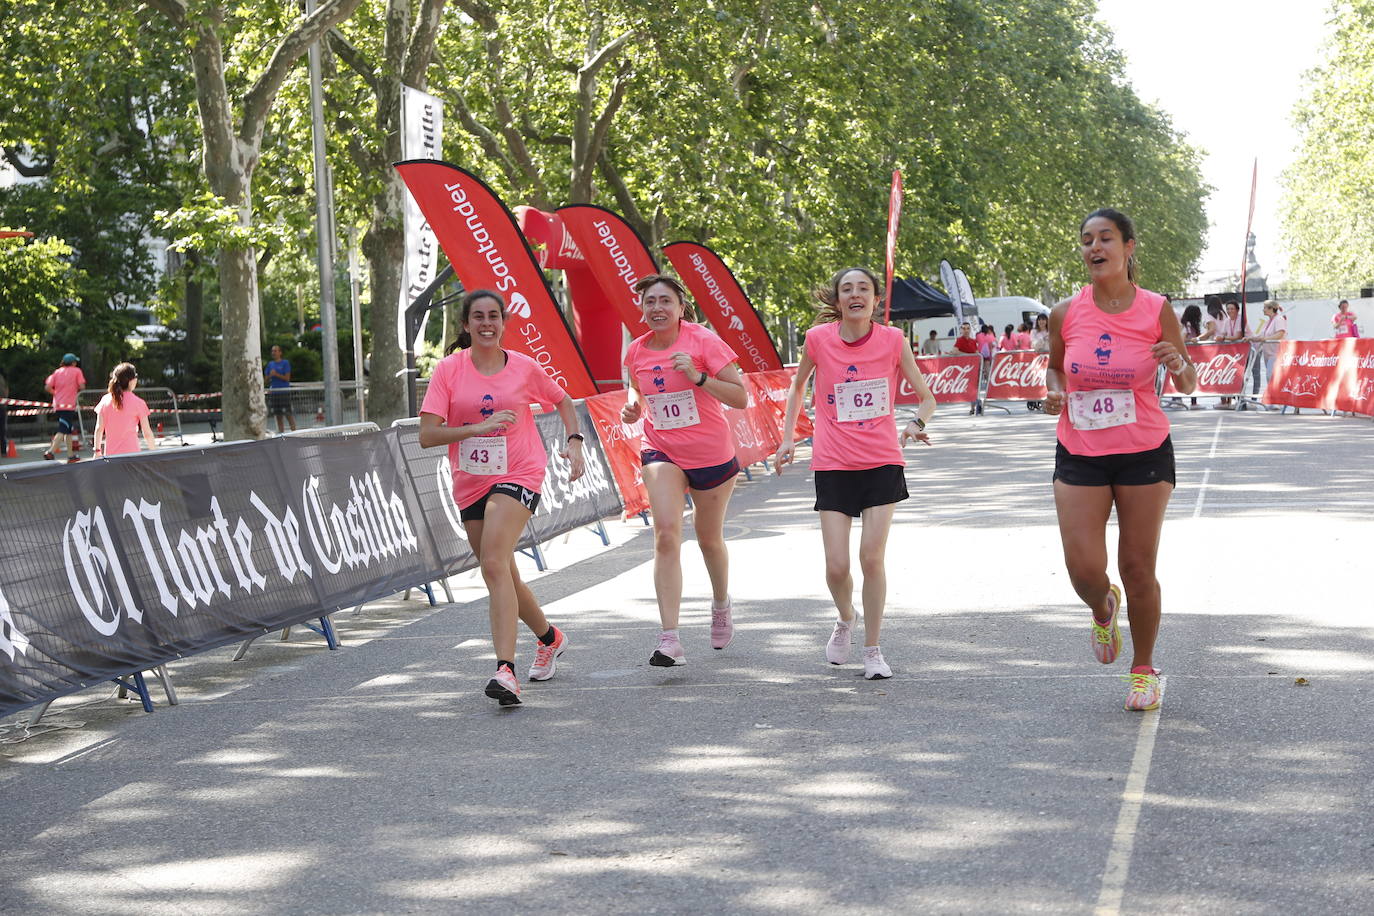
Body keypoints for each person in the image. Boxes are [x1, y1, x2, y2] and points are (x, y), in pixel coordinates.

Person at [1043, 208, 1196, 711]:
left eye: (1105, 238)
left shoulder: (1155, 308)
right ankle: (1102, 606)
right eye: (1086, 239)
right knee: (1084, 568)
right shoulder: (1066, 311)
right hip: (1081, 450)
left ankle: (1144, 669)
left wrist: (1178, 363)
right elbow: (1056, 369)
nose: (1094, 247)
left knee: (1136, 564)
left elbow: (1188, 382)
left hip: (1144, 452)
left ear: (1129, 247)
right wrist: (1054, 391)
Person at [418, 289, 585, 707]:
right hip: (470, 479)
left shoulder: (524, 368)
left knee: (493, 562)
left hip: (520, 471)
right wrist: (475, 429)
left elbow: (562, 400)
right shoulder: (449, 371)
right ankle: (550, 638)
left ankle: (505, 670)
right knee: (501, 571)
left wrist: (575, 441)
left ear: (504, 323)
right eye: (478, 316)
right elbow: (427, 435)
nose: (487, 323)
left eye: (494, 316)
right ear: (466, 324)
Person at [775, 267, 937, 679]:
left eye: (863, 288)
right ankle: (846, 616)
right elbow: (798, 387)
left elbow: (926, 398)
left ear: (875, 299)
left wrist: (915, 425)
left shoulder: (893, 340)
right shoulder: (818, 340)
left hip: (882, 461)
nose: (855, 294)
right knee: (836, 567)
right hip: (833, 462)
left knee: (871, 558)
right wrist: (789, 437)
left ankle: (873, 650)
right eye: (847, 289)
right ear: (838, 300)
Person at [620, 274, 748, 667]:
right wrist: (633, 405)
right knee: (665, 535)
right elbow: (637, 387)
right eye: (649, 302)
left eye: (665, 301)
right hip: (661, 450)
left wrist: (699, 378)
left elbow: (740, 397)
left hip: (711, 456)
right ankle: (669, 637)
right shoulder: (637, 351)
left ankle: (721, 603)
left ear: (680, 307)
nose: (656, 308)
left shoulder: (703, 341)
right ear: (642, 310)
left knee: (709, 539)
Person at [93, 363, 156, 457]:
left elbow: (99, 429)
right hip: (132, 455)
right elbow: (147, 433)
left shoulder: (105, 400)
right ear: (131, 381)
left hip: (111, 456)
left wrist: (97, 452)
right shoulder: (138, 403)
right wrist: (154, 452)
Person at [43, 353, 86, 462]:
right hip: (69, 405)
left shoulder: (57, 372)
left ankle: (70, 455)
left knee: (68, 430)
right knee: (63, 429)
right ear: (73, 363)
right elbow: (82, 386)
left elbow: (47, 387)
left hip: (58, 405)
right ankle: (50, 452)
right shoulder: (77, 371)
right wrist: (76, 391)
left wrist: (56, 393)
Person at [1248, 300, 1287, 393]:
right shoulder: (1268, 322)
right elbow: (1261, 336)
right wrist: (1250, 338)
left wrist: (1266, 339)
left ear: (1271, 309)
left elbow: (1280, 334)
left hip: (1276, 353)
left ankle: (1276, 400)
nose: (1263, 310)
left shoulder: (1279, 319)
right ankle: (1274, 399)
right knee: (1271, 377)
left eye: (1265, 307)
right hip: (1268, 354)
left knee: (1271, 376)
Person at [264, 345, 296, 433]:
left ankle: (294, 432)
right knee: (278, 415)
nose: (273, 353)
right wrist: (270, 375)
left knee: (288, 414)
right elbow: (265, 380)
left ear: (280, 352)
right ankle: (281, 434)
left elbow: (287, 378)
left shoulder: (285, 363)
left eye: (275, 351)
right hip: (274, 393)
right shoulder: (270, 364)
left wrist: (276, 374)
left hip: (284, 391)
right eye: (272, 351)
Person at [1179, 304, 1203, 409]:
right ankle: (1193, 401)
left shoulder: (1186, 324)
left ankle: (1193, 400)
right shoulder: (1188, 325)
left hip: (1190, 354)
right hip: (1189, 354)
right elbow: (1183, 339)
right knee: (1191, 376)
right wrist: (1192, 340)